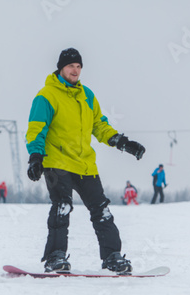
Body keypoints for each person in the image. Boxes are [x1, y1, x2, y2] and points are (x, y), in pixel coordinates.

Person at [26, 47, 146, 274]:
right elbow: (36, 129)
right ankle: (55, 257)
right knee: (62, 207)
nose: (75, 70)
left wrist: (122, 142)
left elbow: (99, 126)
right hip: (57, 162)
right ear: (61, 68)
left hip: (84, 164)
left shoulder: (87, 95)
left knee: (102, 211)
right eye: (71, 66)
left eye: (79, 66)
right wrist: (35, 156)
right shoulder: (47, 96)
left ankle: (112, 257)